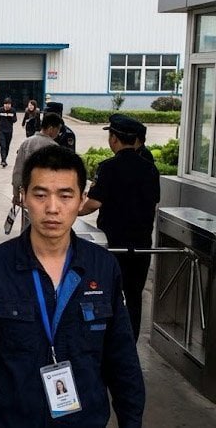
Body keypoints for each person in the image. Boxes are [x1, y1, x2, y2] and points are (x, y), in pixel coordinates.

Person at [0, 145, 145, 426]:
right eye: (40, 195)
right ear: (22, 198)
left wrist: (132, 421)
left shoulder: (103, 267)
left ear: (82, 200)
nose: (52, 208)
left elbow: (122, 358)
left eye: (65, 196)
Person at [79, 114, 160, 342]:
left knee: (106, 292)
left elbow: (93, 204)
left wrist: (72, 211)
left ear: (114, 139)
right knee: (134, 296)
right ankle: (129, 343)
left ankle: (106, 341)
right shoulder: (150, 169)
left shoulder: (109, 168)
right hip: (141, 244)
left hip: (112, 244)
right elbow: (152, 203)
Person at [12, 112, 63, 206]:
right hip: (47, 196)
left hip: (28, 193)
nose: (58, 133)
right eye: (58, 129)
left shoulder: (26, 143)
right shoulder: (54, 147)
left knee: (28, 218)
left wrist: (15, 194)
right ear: (51, 129)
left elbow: (18, 171)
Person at [0, 97, 17, 167]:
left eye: (9, 104)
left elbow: (15, 120)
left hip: (9, 131)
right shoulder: (0, 110)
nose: (7, 106)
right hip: (1, 131)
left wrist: (10, 117)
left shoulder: (13, 111)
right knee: (2, 146)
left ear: (11, 105)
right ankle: (3, 160)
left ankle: (4, 159)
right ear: (4, 104)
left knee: (7, 146)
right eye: (6, 104)